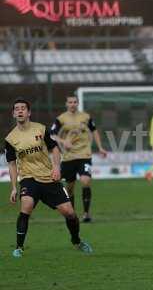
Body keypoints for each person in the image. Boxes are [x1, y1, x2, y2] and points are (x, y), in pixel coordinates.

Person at [5, 98, 92, 258]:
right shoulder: (10, 139)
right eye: (16, 108)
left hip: (48, 178)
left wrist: (57, 168)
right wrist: (13, 187)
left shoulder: (41, 129)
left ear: (29, 112)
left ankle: (76, 240)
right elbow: (11, 164)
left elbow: (55, 149)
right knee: (26, 206)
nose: (20, 110)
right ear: (13, 113)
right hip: (28, 178)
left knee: (70, 213)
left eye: (23, 108)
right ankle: (19, 247)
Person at [51, 95, 107, 223]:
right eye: (70, 102)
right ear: (66, 104)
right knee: (69, 188)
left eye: (75, 102)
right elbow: (52, 134)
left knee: (86, 181)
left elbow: (94, 131)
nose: (72, 104)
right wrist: (64, 141)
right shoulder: (61, 119)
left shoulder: (86, 117)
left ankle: (86, 214)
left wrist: (100, 147)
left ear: (78, 103)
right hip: (68, 157)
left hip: (84, 155)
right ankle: (73, 214)